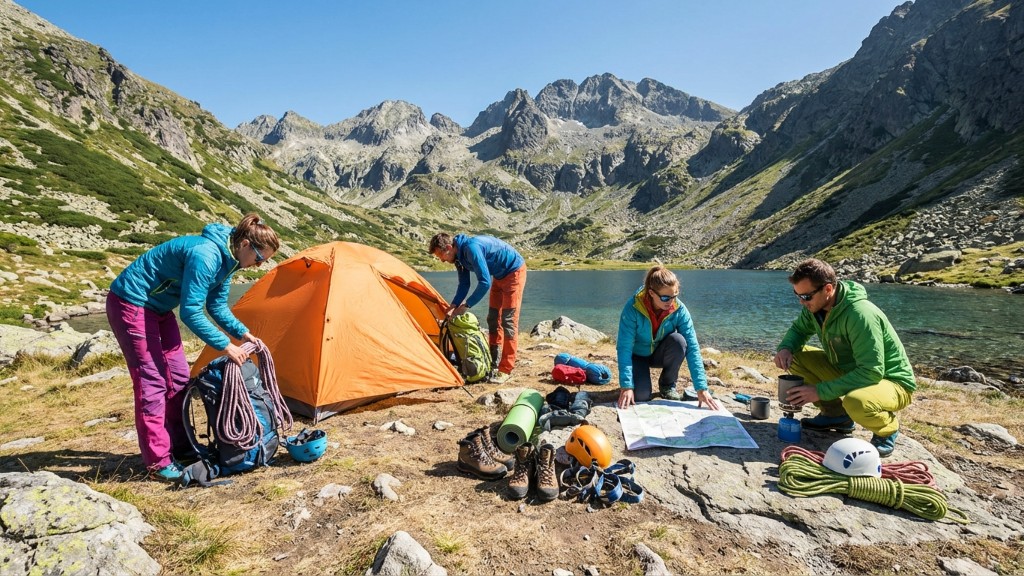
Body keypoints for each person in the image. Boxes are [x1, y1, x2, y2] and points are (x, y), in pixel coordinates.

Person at [106, 213, 279, 481]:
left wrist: (244, 335)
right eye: (259, 258)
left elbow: (217, 306)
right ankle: (158, 463)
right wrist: (227, 347)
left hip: (160, 309)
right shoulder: (206, 255)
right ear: (245, 244)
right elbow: (190, 312)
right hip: (132, 303)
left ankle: (181, 447)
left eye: (264, 262)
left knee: (177, 377)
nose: (258, 265)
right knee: (151, 381)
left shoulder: (230, 262)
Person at [773, 258, 915, 457]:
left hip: (890, 381)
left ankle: (888, 429)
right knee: (796, 355)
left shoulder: (860, 314)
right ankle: (836, 416)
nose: (801, 302)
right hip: (851, 370)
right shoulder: (815, 309)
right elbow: (798, 330)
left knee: (856, 402)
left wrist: (820, 391)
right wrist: (785, 348)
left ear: (828, 289)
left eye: (806, 296)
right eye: (796, 295)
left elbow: (871, 371)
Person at [616, 265, 719, 411]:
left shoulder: (679, 309)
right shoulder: (633, 308)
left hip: (660, 353)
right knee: (642, 396)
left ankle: (667, 384)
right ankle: (637, 383)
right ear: (651, 293)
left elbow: (692, 347)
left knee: (679, 341)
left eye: (674, 296)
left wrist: (701, 388)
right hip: (637, 356)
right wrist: (626, 386)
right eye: (665, 297)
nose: (670, 301)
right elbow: (624, 347)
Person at [428, 232, 526, 384]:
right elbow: (464, 284)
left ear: (448, 247)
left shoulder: (471, 248)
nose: (441, 260)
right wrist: (453, 306)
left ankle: (506, 368)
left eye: (441, 255)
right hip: (499, 277)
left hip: (514, 272)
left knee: (508, 321)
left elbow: (484, 282)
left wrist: (466, 306)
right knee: (493, 318)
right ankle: (494, 360)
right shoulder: (458, 257)